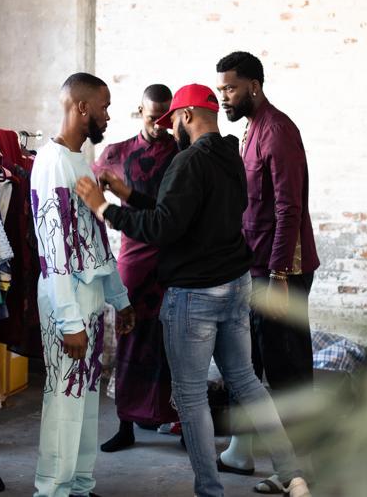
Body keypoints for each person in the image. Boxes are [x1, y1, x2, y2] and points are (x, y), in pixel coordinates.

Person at [75, 84, 312, 497]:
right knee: (248, 383)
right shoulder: (231, 154)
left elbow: (162, 227)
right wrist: (129, 194)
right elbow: (183, 211)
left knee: (190, 396)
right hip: (236, 285)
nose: (171, 130)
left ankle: (210, 491)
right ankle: (293, 474)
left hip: (195, 295)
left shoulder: (187, 160)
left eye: (174, 122)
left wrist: (104, 207)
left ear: (185, 116)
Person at [215, 51, 319, 490]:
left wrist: (277, 276)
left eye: (231, 88)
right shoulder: (251, 129)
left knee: (286, 370)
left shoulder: (277, 131)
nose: (224, 97)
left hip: (280, 272)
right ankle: (240, 453)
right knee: (249, 361)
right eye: (220, 89)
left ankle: (297, 468)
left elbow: (288, 208)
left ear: (254, 86)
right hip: (256, 266)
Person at [31, 72, 136, 497]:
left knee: (87, 396)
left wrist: (119, 299)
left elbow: (95, 238)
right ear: (82, 107)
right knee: (64, 398)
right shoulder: (52, 162)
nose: (107, 116)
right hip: (67, 297)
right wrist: (69, 320)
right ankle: (51, 491)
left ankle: (79, 485)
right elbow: (53, 248)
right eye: (104, 107)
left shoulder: (78, 161)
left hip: (89, 296)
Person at [92, 84, 180, 452]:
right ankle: (125, 422)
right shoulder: (116, 153)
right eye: (152, 118)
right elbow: (89, 194)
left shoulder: (182, 153)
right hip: (134, 258)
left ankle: (178, 421)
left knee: (175, 342)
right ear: (139, 112)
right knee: (128, 339)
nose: (159, 126)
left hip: (174, 260)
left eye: (165, 119)